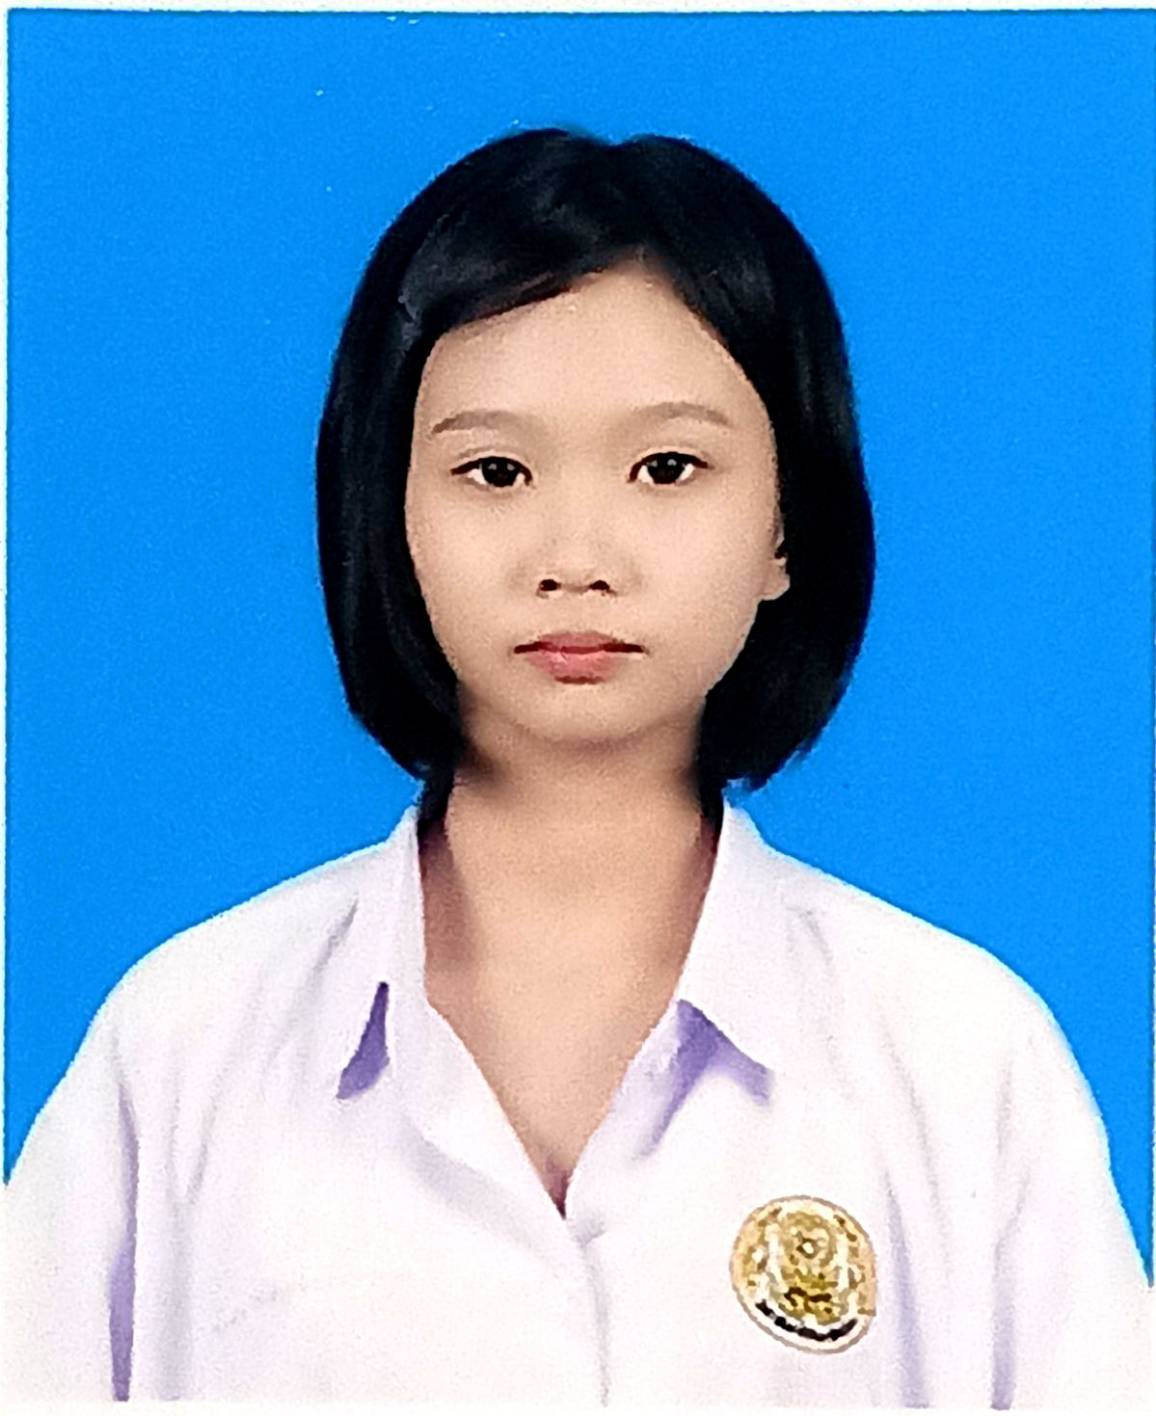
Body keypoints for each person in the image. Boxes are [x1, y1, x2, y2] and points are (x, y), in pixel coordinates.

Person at [3, 125, 1149, 1405]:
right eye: (494, 470)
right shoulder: (187, 1046)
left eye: (667, 467)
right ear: (388, 513)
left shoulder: (960, 1057)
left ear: (785, 528)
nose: (576, 556)